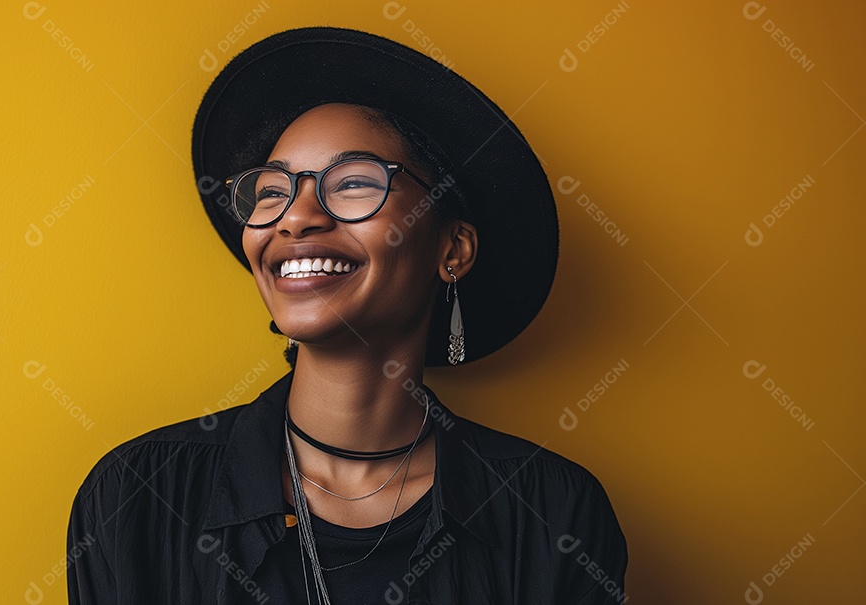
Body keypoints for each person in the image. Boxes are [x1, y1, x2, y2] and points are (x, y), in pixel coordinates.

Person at [67, 26, 627, 604]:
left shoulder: (555, 513)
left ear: (451, 249)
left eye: (354, 182)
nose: (295, 217)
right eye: (271, 189)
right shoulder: (135, 498)